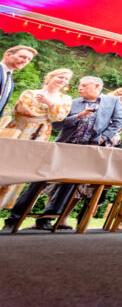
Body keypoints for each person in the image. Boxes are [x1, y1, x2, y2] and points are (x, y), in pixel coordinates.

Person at [5, 76, 122, 231]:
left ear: (96, 87)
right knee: (39, 179)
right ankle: (14, 218)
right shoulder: (72, 102)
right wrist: (77, 117)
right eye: (80, 85)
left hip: (87, 149)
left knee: (68, 185)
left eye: (84, 85)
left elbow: (118, 121)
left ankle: (47, 219)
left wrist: (103, 137)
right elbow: (56, 125)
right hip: (63, 146)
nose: (79, 88)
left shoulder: (112, 101)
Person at [0, 68, 72, 210]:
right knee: (5, 163)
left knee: (22, 169)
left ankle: (2, 204)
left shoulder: (65, 99)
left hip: (40, 135)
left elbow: (59, 117)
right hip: (19, 131)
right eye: (60, 77)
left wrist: (50, 104)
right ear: (50, 77)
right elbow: (21, 110)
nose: (62, 80)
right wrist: (47, 114)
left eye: (66, 79)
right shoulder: (30, 93)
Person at [0, 44, 37, 113]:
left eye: (29, 59)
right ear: (8, 55)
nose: (25, 61)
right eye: (22, 57)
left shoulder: (10, 80)